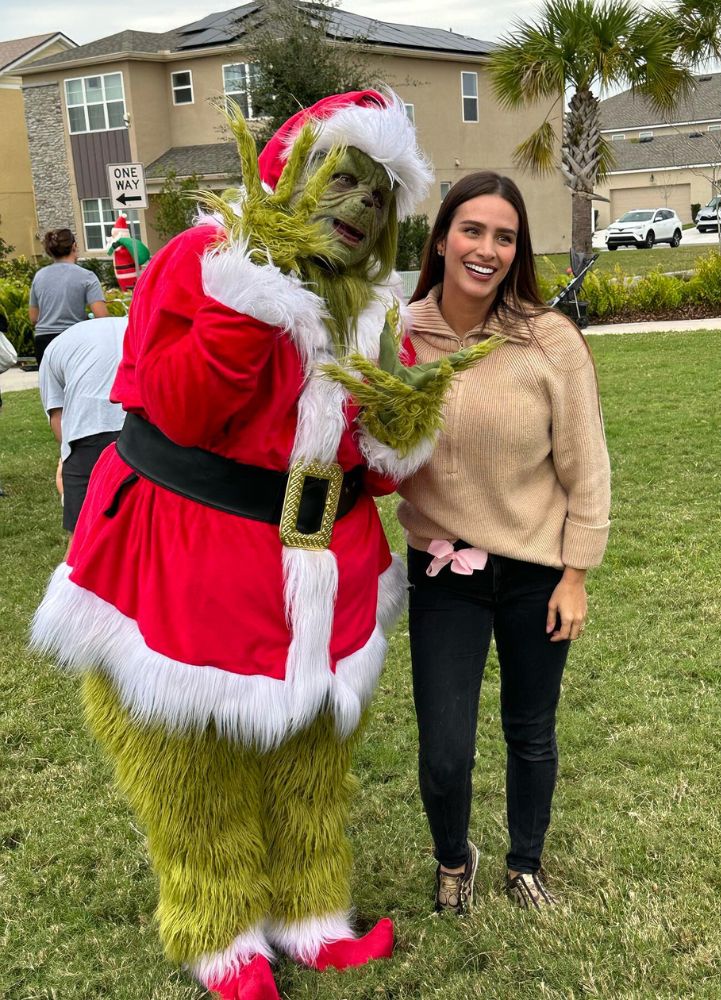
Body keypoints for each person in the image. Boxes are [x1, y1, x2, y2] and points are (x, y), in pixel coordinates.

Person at [30, 92, 488, 1000]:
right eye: (343, 181)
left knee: (313, 760)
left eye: (378, 196)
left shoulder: (374, 307)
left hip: (326, 571)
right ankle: (222, 935)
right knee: (195, 761)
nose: (360, 207)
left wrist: (397, 429)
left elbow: (373, 468)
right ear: (297, 171)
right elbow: (180, 407)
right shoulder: (203, 260)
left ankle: (309, 916)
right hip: (193, 557)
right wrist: (256, 294)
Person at [396, 172, 612, 915]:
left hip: (535, 571)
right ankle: (454, 860)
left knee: (530, 728)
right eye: (472, 230)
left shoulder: (548, 341)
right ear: (441, 240)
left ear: (517, 251)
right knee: (444, 748)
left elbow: (587, 466)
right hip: (443, 571)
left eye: (505, 237)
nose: (486, 249)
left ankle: (526, 863)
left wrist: (576, 574)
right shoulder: (399, 337)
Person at [38, 317, 127, 552]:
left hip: (87, 433)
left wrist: (66, 458)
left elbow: (57, 416)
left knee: (80, 540)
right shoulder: (136, 325)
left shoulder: (54, 348)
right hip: (146, 431)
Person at [29, 229, 109, 365]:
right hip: (73, 339)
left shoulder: (40, 276)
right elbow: (102, 316)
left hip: (43, 341)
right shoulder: (87, 276)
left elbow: (33, 318)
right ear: (74, 246)